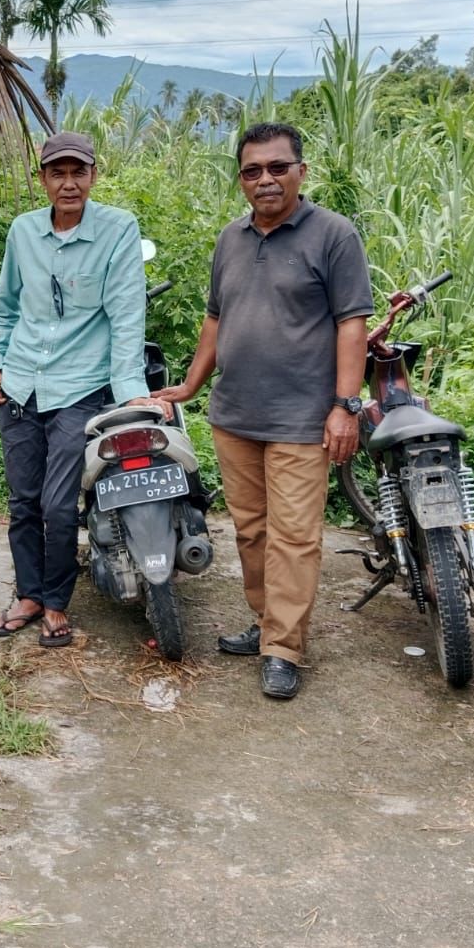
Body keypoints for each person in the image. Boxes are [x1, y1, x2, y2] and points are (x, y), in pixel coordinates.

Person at [155, 122, 372, 700]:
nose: (266, 179)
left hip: (303, 419)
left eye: (278, 167)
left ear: (301, 170)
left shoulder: (333, 234)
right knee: (252, 531)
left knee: (294, 537)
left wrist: (345, 406)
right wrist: (190, 384)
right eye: (252, 171)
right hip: (235, 415)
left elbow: (353, 323)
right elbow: (216, 319)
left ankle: (284, 647)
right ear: (241, 180)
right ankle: (267, 622)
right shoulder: (231, 238)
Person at [0, 131, 167, 649]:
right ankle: (29, 594)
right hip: (21, 384)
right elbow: (5, 306)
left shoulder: (117, 229)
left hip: (79, 387)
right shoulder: (23, 232)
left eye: (77, 172)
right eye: (57, 173)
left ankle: (57, 602)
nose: (68, 183)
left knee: (59, 506)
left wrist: (130, 388)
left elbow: (127, 313)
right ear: (42, 179)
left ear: (93, 176)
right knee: (23, 501)